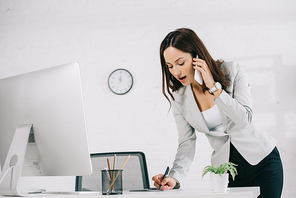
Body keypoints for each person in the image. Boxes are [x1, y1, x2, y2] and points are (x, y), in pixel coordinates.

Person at [152, 28, 283, 198]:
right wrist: (175, 178)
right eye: (170, 66)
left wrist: (214, 87)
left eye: (180, 63)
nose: (176, 72)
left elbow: (245, 120)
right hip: (227, 173)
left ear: (196, 57)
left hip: (263, 163)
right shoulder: (180, 98)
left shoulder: (232, 71)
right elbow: (186, 143)